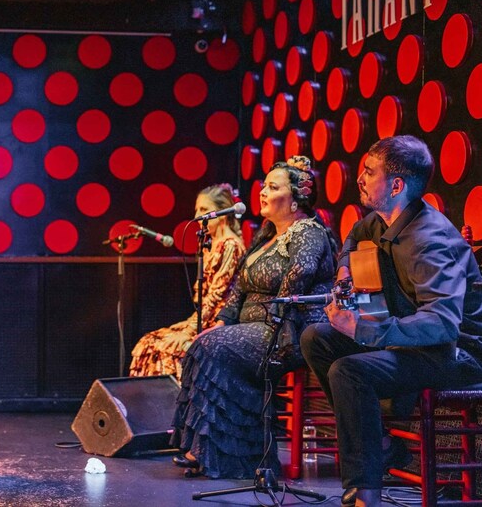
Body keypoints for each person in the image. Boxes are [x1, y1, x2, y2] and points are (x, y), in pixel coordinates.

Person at [300, 136, 482, 507]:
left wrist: (365, 329)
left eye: (369, 172)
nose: (361, 179)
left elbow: (444, 324)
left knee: (349, 371)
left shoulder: (429, 240)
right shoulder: (384, 220)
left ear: (396, 185)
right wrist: (344, 271)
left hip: (457, 353)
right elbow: (353, 237)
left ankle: (364, 495)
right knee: (316, 337)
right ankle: (381, 445)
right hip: (418, 341)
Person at [171, 156, 337, 479]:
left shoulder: (308, 232)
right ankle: (215, 452)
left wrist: (264, 324)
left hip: (291, 331)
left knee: (212, 348)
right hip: (255, 328)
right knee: (204, 341)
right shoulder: (265, 237)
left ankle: (231, 456)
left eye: (273, 187)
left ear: (294, 200)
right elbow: (239, 290)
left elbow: (296, 280)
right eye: (264, 185)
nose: (262, 192)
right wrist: (223, 320)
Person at [129, 183, 245, 381]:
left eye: (204, 210)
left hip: (220, 322)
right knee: (147, 342)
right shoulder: (209, 245)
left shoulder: (231, 246)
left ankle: (179, 405)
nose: (198, 216)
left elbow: (216, 295)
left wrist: (188, 331)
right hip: (203, 317)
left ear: (222, 213)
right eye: (197, 210)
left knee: (164, 348)